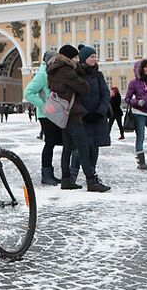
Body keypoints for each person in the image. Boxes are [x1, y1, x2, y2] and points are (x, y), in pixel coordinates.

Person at [48, 45, 110, 192]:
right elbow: (84, 88)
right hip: (73, 112)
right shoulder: (68, 71)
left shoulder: (53, 69)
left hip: (62, 112)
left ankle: (66, 179)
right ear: (69, 58)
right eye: (75, 57)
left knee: (67, 147)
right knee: (83, 148)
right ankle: (91, 181)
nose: (77, 60)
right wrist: (79, 75)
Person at [69, 46, 111, 184]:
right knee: (79, 148)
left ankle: (92, 175)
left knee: (94, 146)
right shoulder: (77, 75)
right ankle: (72, 176)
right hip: (83, 118)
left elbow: (105, 94)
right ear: (84, 59)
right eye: (92, 56)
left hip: (98, 117)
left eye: (95, 56)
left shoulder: (98, 75)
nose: (95, 59)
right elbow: (75, 97)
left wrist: (101, 111)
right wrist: (85, 113)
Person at [24, 49, 63, 185]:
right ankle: (46, 175)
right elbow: (28, 93)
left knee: (51, 143)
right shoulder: (42, 75)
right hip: (45, 115)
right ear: (48, 61)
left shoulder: (50, 73)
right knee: (50, 143)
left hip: (52, 113)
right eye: (54, 59)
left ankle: (49, 173)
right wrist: (44, 105)